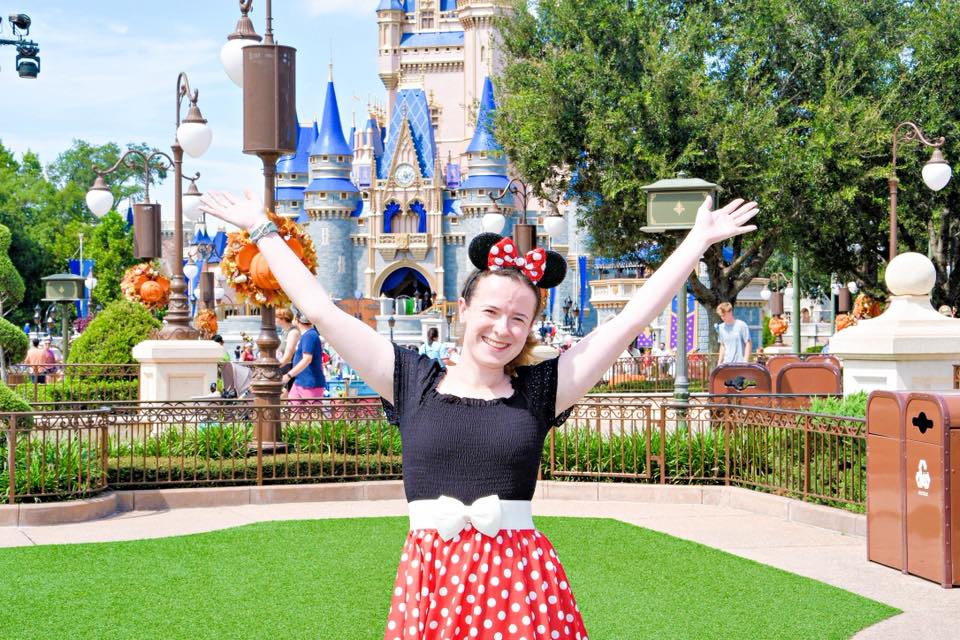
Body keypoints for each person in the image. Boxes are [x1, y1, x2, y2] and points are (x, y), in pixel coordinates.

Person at [200, 188, 757, 639]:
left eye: (519, 318)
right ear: (463, 309)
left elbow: (628, 322)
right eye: (491, 310)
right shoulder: (410, 379)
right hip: (433, 582)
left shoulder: (542, 390)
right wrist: (263, 228)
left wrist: (695, 242)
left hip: (523, 587)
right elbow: (320, 308)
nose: (503, 328)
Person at [282, 312, 326, 403]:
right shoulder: (308, 335)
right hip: (300, 381)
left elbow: (307, 359)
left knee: (313, 414)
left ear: (297, 320)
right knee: (294, 412)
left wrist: (289, 375)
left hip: (310, 383)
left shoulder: (309, 335)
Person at [276, 307, 301, 393]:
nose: (274, 319)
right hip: (284, 367)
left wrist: (274, 367)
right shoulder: (285, 332)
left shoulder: (293, 332)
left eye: (276, 316)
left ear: (283, 318)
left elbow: (288, 356)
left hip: (289, 369)